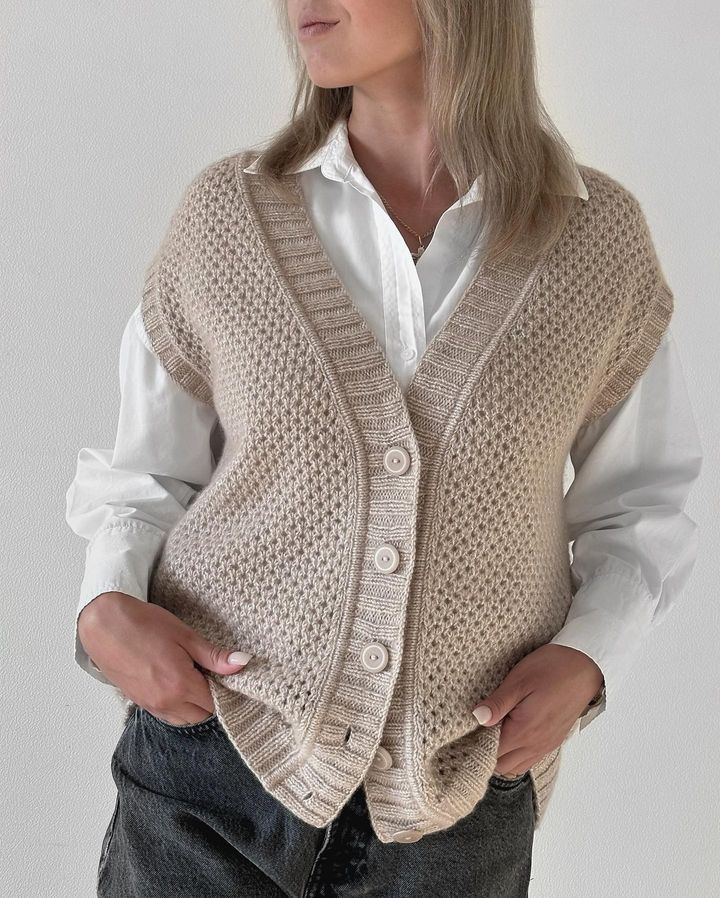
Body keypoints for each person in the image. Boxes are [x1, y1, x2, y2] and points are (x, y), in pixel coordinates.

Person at [65, 1, 702, 896]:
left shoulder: (595, 241)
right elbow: (148, 471)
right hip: (213, 752)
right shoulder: (230, 215)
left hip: (458, 787)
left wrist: (591, 656)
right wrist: (106, 603)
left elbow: (640, 500)